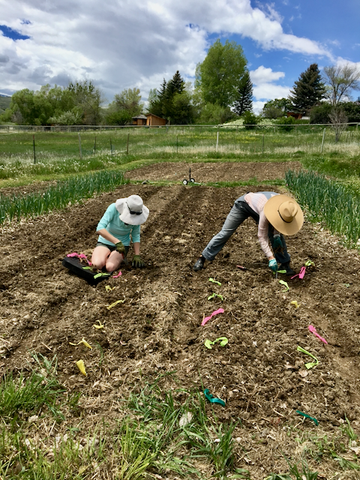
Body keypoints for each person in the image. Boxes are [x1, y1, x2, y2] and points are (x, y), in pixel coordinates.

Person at [193, 192, 303, 275]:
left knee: (277, 237)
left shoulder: (286, 207)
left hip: (260, 207)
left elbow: (279, 225)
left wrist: (276, 234)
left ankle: (284, 264)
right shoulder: (266, 211)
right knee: (226, 232)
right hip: (244, 204)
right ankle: (203, 257)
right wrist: (270, 257)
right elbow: (261, 236)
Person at [91, 194, 149, 272]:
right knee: (97, 265)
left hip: (123, 245)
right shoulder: (113, 208)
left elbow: (136, 235)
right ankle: (103, 255)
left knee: (110, 267)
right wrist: (116, 242)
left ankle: (115, 259)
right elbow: (100, 228)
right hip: (105, 242)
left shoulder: (137, 217)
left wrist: (137, 255)